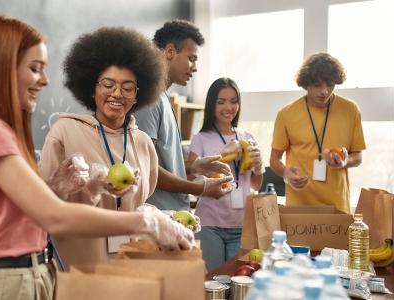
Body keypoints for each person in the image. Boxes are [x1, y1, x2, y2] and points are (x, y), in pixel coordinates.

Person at [0, 15, 194, 300]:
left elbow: (21, 213)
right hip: (11, 281)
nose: (45, 80)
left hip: (29, 276)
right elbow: (55, 217)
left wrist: (54, 188)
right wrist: (147, 223)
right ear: (3, 66)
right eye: (35, 68)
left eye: (128, 87)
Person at [40, 26, 179, 270]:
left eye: (128, 88)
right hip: (79, 268)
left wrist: (164, 219)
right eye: (108, 84)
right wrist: (93, 187)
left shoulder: (144, 143)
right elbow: (46, 204)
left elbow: (140, 203)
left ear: (138, 96)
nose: (117, 93)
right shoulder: (64, 132)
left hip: (130, 266)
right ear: (92, 89)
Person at [133, 19, 233, 212]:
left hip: (172, 215)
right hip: (157, 216)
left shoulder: (163, 99)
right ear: (170, 51)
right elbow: (145, 168)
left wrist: (194, 166)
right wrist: (199, 188)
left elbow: (163, 162)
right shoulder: (149, 100)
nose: (194, 67)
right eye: (192, 58)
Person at [270, 52, 366, 214]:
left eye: (330, 84)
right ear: (306, 84)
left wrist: (345, 161)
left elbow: (357, 157)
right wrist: (286, 173)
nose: (325, 91)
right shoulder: (286, 114)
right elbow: (274, 158)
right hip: (299, 206)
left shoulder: (351, 110)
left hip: (337, 206)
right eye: (317, 85)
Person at [187, 78, 264, 271]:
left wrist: (258, 166)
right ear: (211, 104)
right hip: (209, 223)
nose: (228, 107)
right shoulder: (200, 139)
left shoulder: (247, 137)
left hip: (242, 224)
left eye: (233, 101)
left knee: (240, 279)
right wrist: (222, 152)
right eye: (221, 102)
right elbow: (190, 180)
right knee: (215, 280)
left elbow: (256, 185)